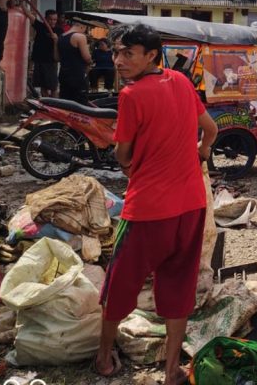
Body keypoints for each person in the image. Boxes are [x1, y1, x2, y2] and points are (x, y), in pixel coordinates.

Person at [94, 23, 218, 384]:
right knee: (179, 284)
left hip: (147, 210)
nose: (118, 60)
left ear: (151, 55)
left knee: (119, 284)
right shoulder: (181, 82)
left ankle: (103, 358)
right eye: (116, 52)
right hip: (191, 206)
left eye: (127, 53)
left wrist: (128, 165)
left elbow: (123, 152)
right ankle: (172, 370)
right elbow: (209, 130)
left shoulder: (131, 95)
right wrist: (202, 154)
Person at [58, 18, 92, 104]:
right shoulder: (80, 36)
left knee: (65, 102)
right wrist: (90, 63)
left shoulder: (61, 36)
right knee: (80, 103)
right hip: (77, 75)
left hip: (64, 74)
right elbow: (87, 57)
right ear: (82, 26)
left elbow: (56, 58)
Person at [31, 9, 60, 97]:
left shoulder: (59, 30)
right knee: (43, 86)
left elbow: (60, 47)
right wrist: (22, 3)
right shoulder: (40, 26)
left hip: (51, 62)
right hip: (39, 60)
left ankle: (55, 106)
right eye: (50, 19)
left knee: (53, 87)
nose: (53, 21)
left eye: (55, 19)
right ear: (45, 19)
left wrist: (56, 40)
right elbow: (29, 16)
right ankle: (47, 106)